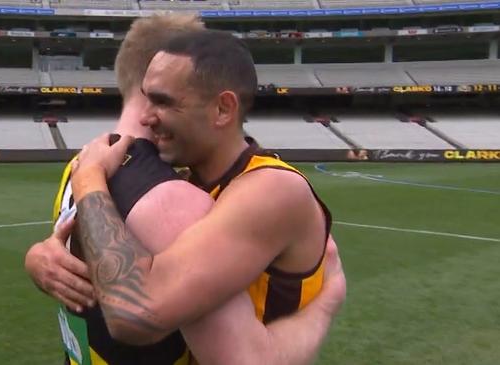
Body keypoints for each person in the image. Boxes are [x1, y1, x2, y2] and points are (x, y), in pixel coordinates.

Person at [26, 16, 346, 365]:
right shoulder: (185, 179)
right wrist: (43, 257)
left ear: (223, 109)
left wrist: (325, 308)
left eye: (163, 102)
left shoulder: (272, 190)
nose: (146, 118)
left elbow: (136, 313)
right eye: (147, 99)